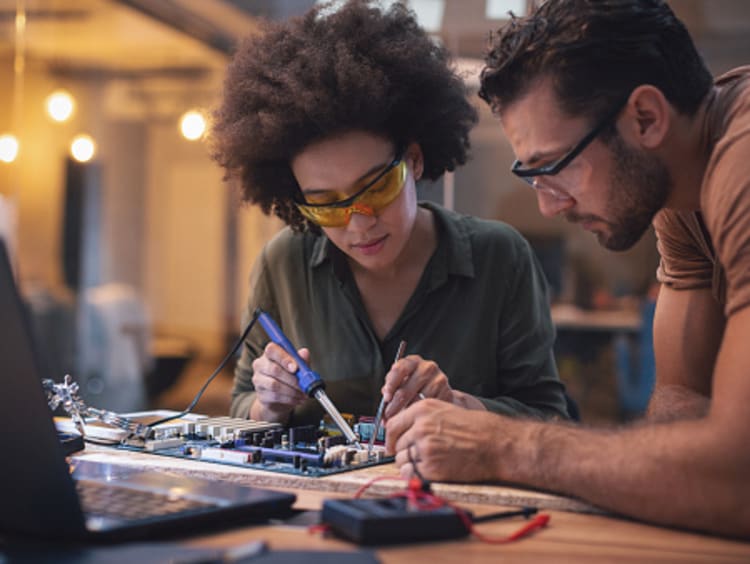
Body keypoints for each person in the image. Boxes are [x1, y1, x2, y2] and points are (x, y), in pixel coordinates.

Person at [385, 0, 750, 538]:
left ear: (646, 118)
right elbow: (681, 410)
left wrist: (501, 443)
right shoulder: (681, 194)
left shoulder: (740, 168)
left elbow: (734, 478)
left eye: (552, 167)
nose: (549, 207)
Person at [210, 0, 571, 427]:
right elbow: (240, 406)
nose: (359, 223)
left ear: (414, 160)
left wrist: (458, 406)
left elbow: (550, 420)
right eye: (326, 203)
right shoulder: (283, 264)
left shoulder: (500, 258)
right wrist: (266, 404)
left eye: (377, 187)